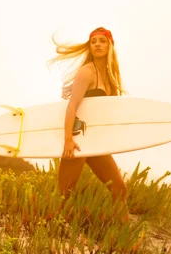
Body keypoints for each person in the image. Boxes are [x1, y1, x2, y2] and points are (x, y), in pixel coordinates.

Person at [48, 27, 128, 222]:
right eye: (93, 42)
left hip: (94, 143)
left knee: (119, 188)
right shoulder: (87, 72)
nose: (97, 45)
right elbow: (72, 106)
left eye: (102, 41)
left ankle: (121, 237)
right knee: (63, 194)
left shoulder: (110, 78)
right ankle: (48, 231)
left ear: (110, 46)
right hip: (77, 140)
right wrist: (68, 140)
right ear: (89, 47)